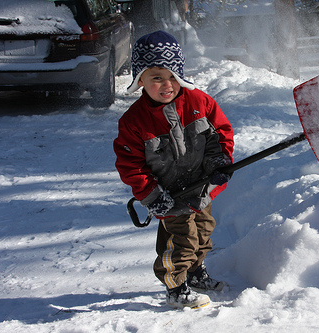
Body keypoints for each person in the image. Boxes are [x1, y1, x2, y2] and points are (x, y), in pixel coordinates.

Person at [113, 30, 234, 309]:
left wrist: (219, 163)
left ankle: (194, 271)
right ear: (140, 80)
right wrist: (152, 195)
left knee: (203, 233)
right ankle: (175, 286)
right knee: (180, 242)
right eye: (157, 77)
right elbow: (129, 164)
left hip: (201, 188)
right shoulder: (133, 122)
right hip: (169, 195)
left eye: (173, 77)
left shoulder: (199, 102)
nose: (167, 85)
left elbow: (220, 136)